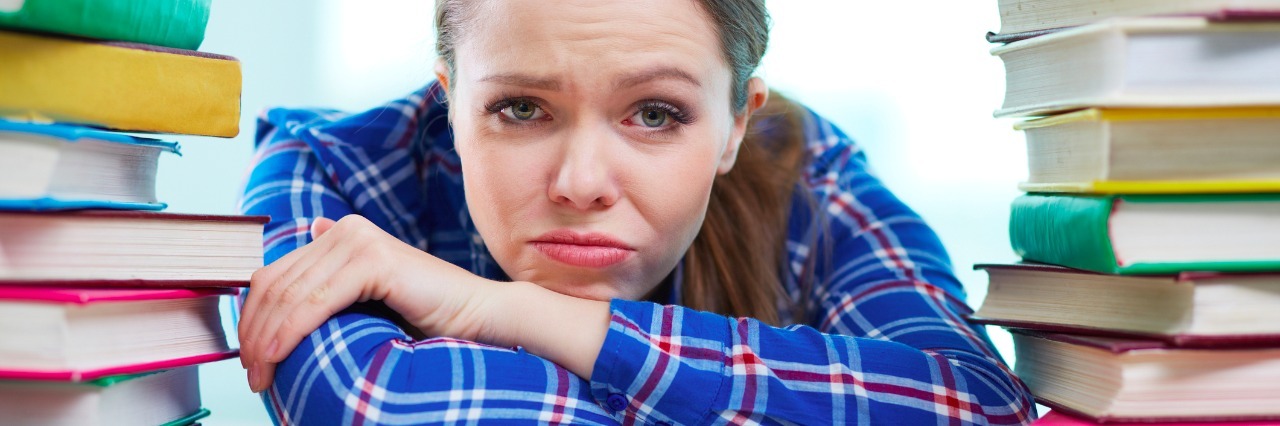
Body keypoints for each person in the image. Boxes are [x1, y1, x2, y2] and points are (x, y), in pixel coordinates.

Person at [236, 0, 1036, 424]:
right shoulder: (331, 173)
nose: (582, 183)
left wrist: (507, 310)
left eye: (655, 113)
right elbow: (368, 405)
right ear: (451, 102)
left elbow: (974, 404)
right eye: (520, 108)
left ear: (734, 123)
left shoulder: (805, 173)